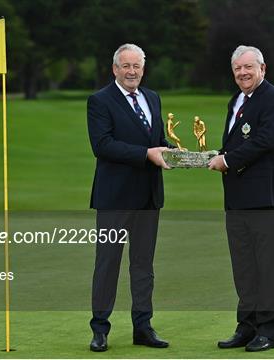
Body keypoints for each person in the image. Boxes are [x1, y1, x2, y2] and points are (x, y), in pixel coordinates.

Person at [86, 43, 171, 352]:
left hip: (149, 198)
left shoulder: (152, 98)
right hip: (114, 199)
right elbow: (102, 145)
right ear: (115, 69)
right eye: (126, 66)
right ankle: (100, 328)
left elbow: (157, 140)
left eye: (137, 66)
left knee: (143, 266)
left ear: (143, 69)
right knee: (107, 263)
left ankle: (143, 327)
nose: (132, 71)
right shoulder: (99, 101)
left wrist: (174, 154)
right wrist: (146, 154)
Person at [208, 45, 274, 352]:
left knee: (267, 266)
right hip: (237, 199)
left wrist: (227, 161)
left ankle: (269, 330)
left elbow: (266, 140)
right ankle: (247, 325)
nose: (243, 73)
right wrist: (214, 156)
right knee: (244, 266)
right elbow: (235, 144)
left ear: (262, 69)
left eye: (248, 67)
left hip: (266, 199)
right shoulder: (237, 101)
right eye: (237, 69)